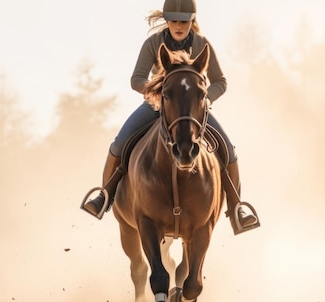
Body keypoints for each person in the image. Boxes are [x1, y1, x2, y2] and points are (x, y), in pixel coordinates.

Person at [81, 0, 259, 234]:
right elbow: (136, 79)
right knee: (119, 144)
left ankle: (237, 210)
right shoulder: (153, 43)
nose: (178, 25)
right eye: (174, 20)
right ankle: (105, 196)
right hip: (157, 105)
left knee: (229, 150)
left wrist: (205, 100)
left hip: (194, 110)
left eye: (183, 21)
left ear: (192, 21)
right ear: (166, 19)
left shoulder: (202, 44)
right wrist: (158, 91)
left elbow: (220, 82)